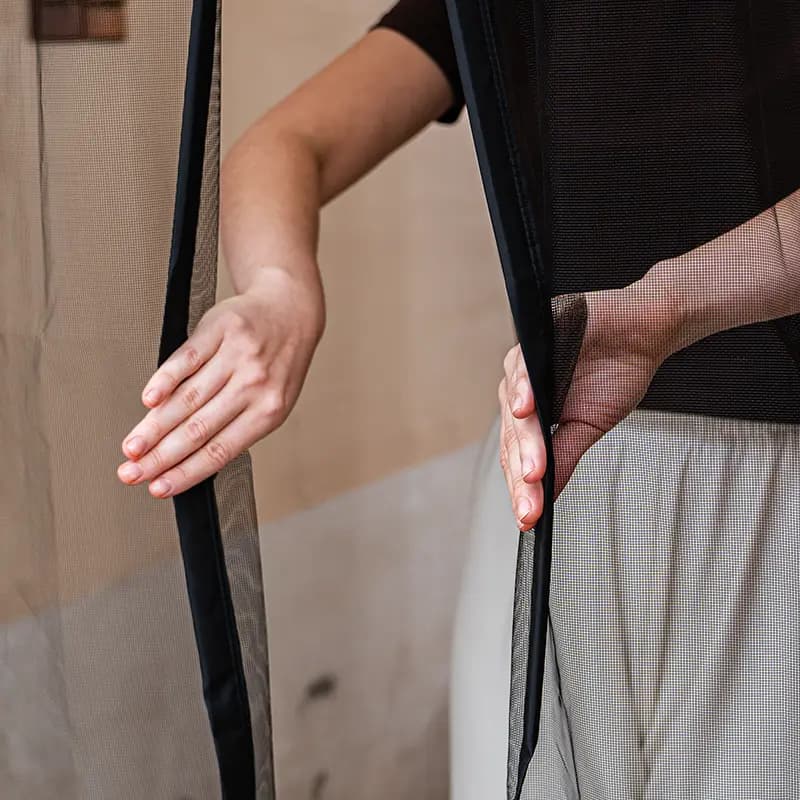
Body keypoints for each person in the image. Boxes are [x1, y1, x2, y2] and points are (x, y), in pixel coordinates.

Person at [116, 1, 800, 797]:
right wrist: (278, 288)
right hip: (543, 479)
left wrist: (670, 305)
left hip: (773, 486)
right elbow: (286, 144)